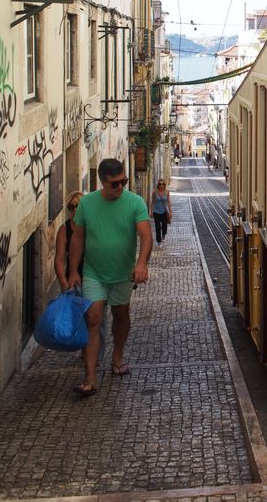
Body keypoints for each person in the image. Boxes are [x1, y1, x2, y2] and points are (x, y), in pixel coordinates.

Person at [68, 159, 152, 397]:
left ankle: (117, 357)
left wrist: (141, 264)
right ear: (102, 182)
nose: (120, 187)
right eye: (115, 183)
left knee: (121, 315)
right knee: (93, 319)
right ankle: (90, 378)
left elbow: (146, 236)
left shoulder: (134, 202)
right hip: (93, 272)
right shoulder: (87, 204)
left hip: (123, 273)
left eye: (123, 181)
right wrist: (73, 271)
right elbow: (77, 239)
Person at [54, 192, 106, 364]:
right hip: (74, 281)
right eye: (71, 207)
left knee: (97, 319)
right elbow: (59, 260)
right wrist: (64, 283)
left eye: (78, 206)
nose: (75, 210)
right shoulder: (64, 230)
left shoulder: (94, 226)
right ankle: (87, 351)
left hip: (95, 278)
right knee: (81, 320)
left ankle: (94, 356)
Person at [149, 179, 172, 245]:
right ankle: (158, 241)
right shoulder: (155, 192)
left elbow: (169, 202)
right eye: (160, 184)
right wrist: (151, 211)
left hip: (164, 212)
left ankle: (163, 236)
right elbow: (152, 202)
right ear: (158, 185)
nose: (161, 185)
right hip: (156, 212)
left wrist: (170, 212)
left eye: (163, 184)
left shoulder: (167, 192)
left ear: (164, 185)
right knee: (157, 227)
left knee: (164, 226)